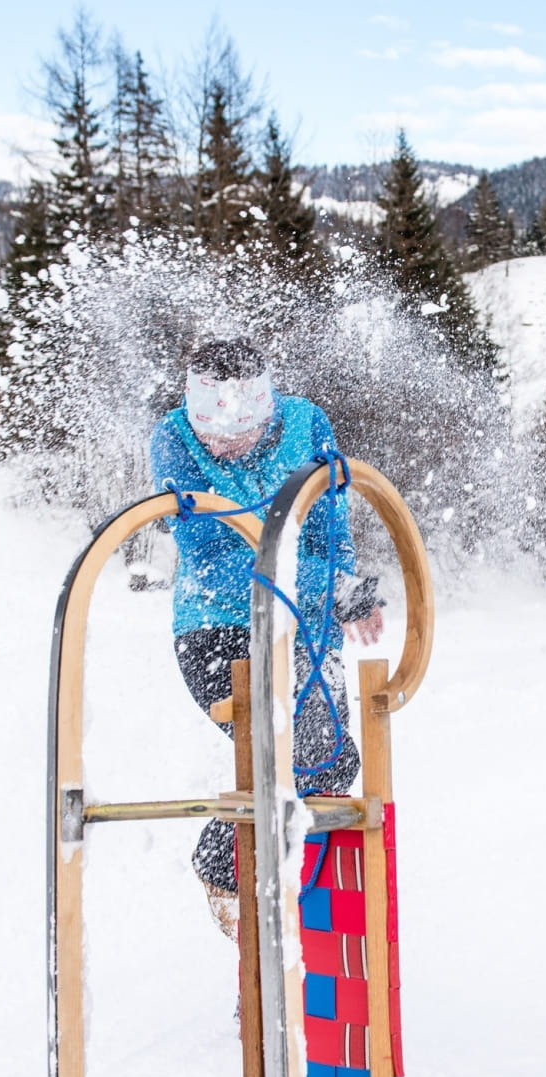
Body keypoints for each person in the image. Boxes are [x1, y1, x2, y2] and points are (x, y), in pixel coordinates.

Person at [151, 338, 385, 939]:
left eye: (239, 432)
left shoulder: (306, 423)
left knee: (329, 765)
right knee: (296, 754)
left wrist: (341, 590)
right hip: (216, 627)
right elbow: (216, 556)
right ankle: (235, 883)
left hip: (299, 622)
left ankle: (297, 943)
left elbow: (332, 528)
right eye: (213, 434)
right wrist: (329, 586)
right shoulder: (173, 440)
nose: (224, 447)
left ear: (265, 406)